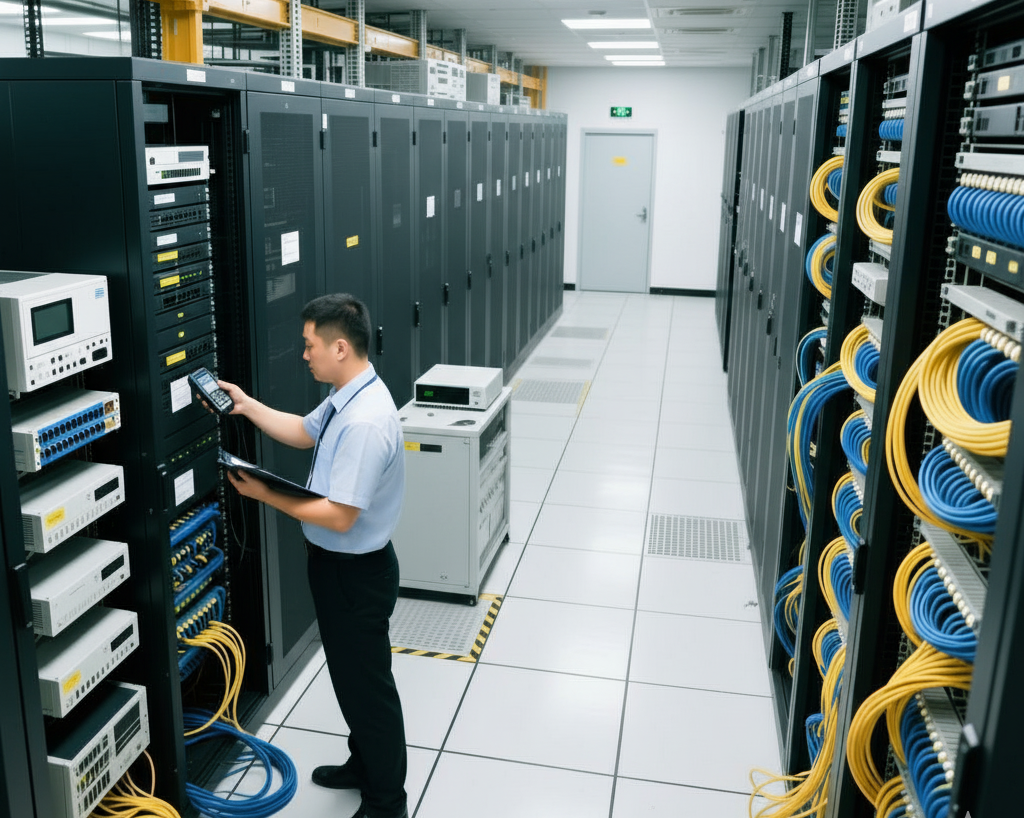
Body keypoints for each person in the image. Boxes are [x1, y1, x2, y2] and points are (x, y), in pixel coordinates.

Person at [210, 293, 408, 818]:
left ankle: (388, 802)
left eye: (309, 345)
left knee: (368, 689)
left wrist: (263, 494)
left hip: (355, 573)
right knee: (353, 679)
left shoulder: (365, 420)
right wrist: (245, 404)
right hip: (342, 569)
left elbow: (342, 516)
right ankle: (363, 764)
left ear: (340, 347)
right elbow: (302, 432)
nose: (304, 355)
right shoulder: (351, 392)